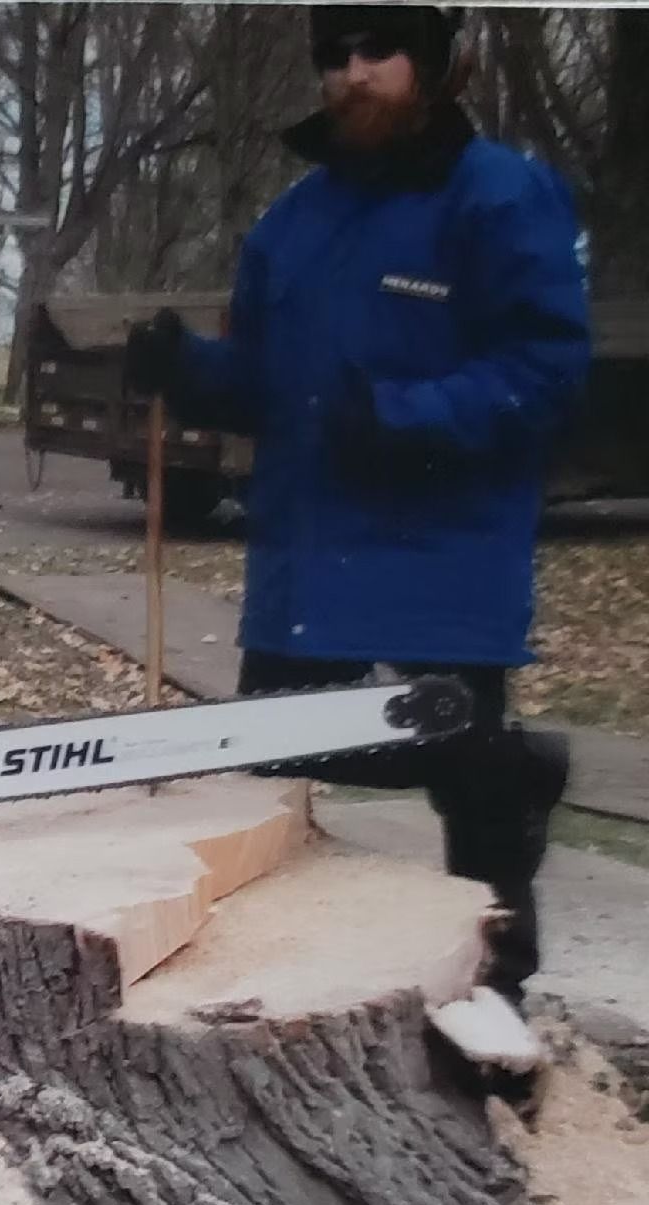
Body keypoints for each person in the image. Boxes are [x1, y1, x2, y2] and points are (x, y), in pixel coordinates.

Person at [123, 4, 591, 1004]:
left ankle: (496, 990)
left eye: (379, 51)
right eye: (334, 56)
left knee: (471, 808)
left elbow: (545, 370)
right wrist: (187, 371)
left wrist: (404, 414)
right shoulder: (294, 224)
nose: (353, 74)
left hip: (439, 559)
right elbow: (262, 382)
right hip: (302, 561)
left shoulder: (500, 197)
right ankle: (273, 988)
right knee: (269, 761)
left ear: (432, 65)